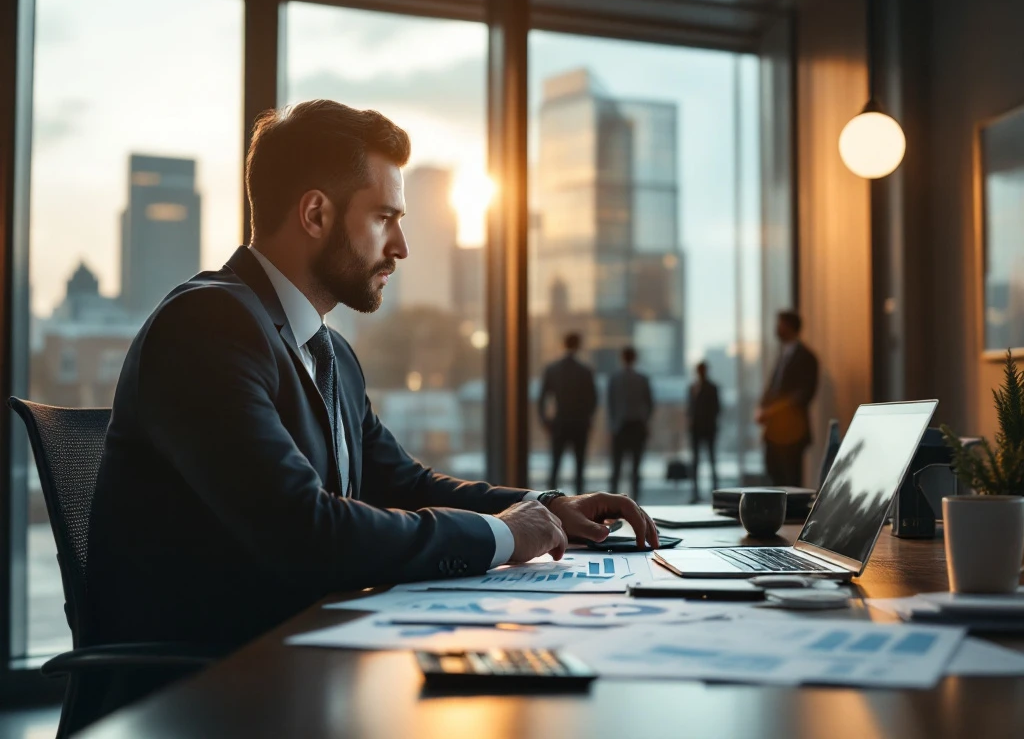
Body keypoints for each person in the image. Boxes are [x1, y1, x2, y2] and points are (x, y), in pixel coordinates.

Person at [87, 100, 658, 657]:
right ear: (316, 215)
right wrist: (503, 537)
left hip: (305, 658)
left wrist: (547, 507)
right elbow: (305, 532)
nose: (401, 247)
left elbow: (403, 484)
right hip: (206, 687)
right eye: (385, 218)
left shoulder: (329, 350)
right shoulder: (207, 327)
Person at [757, 310, 820, 488]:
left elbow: (803, 394)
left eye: (780, 324)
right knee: (773, 473)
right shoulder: (782, 356)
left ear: (790, 326)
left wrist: (773, 410)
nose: (776, 329)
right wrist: (762, 408)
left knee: (791, 479)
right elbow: (773, 387)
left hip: (793, 431)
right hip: (774, 430)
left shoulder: (806, 357)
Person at [538, 332, 598, 494]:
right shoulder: (585, 370)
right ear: (579, 346)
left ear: (563, 344)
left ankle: (550, 500)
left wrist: (545, 420)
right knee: (579, 466)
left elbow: (543, 398)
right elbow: (593, 399)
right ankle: (580, 501)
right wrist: (588, 418)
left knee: (555, 464)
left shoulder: (553, 369)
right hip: (579, 423)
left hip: (560, 422)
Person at [607, 346, 654, 502]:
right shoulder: (642, 378)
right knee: (635, 469)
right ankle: (635, 503)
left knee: (616, 469)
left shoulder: (614, 378)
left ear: (622, 358)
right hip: (637, 426)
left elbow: (611, 404)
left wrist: (612, 425)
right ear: (635, 358)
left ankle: (611, 503)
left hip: (620, 427)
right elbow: (650, 404)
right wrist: (645, 420)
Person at [687, 361, 720, 503]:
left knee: (711, 461)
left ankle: (715, 491)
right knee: (696, 462)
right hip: (696, 429)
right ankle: (696, 493)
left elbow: (717, 408)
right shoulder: (693, 387)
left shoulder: (711, 388)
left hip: (707, 428)